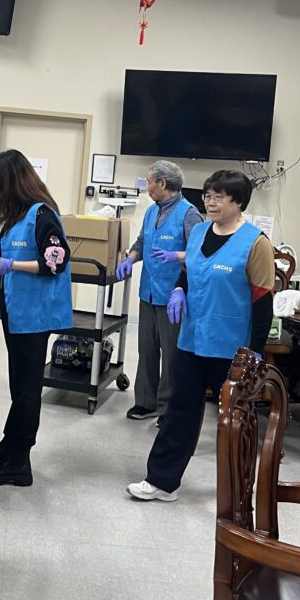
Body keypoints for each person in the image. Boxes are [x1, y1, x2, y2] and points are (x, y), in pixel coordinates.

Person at [127, 170, 274, 502]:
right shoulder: (199, 232)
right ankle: (161, 482)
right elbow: (188, 270)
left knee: (236, 421)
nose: (211, 202)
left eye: (219, 196)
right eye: (208, 196)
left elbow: (263, 301)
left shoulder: (256, 243)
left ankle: (239, 492)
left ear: (239, 202)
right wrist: (179, 289)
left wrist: (256, 351)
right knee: (178, 413)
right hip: (191, 341)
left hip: (231, 349)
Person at [0, 149, 73, 487]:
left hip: (35, 316)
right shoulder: (16, 218)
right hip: (17, 312)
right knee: (19, 386)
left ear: (9, 183)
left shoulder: (41, 214)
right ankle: (9, 445)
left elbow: (55, 262)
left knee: (28, 389)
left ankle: (19, 463)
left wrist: (11, 265)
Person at [115, 160, 202, 422]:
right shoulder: (151, 211)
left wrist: (177, 257)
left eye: (150, 181)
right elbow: (142, 241)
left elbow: (199, 254)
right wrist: (130, 259)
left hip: (174, 297)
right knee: (147, 350)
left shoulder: (189, 214)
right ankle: (146, 402)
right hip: (148, 293)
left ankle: (169, 409)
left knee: (172, 354)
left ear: (162, 183)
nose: (147, 186)